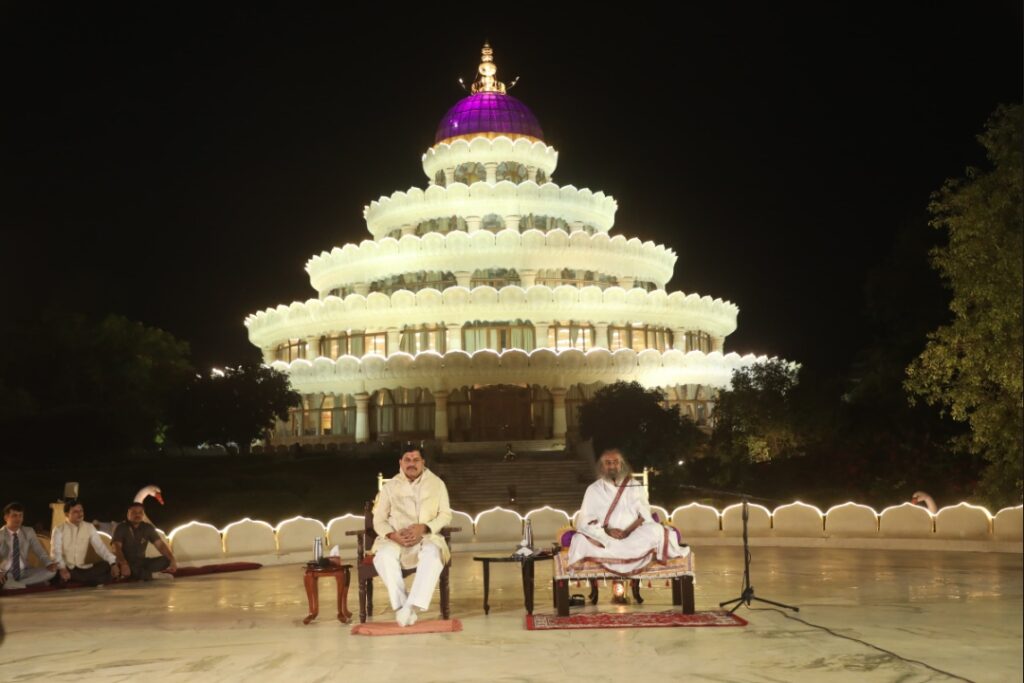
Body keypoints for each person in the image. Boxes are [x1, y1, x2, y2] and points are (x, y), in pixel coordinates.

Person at [568, 448, 690, 575]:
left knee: (657, 530)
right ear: (602, 467)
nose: (612, 466)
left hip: (633, 535)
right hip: (604, 537)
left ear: (622, 464)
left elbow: (644, 515)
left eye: (615, 462)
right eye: (607, 462)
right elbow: (586, 519)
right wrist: (608, 531)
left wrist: (627, 531)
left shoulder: (635, 485)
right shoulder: (593, 489)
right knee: (580, 539)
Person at [371, 445, 452, 626]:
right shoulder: (390, 487)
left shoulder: (437, 484)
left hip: (426, 537)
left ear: (423, 462)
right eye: (407, 460)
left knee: (433, 554)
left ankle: (410, 607)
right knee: (383, 556)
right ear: (400, 462)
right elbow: (379, 521)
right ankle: (403, 606)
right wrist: (392, 535)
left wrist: (424, 527)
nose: (411, 464)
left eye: (416, 460)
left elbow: (446, 514)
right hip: (396, 539)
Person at [52, 501, 121, 585]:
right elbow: (56, 552)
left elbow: (100, 548)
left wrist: (113, 563)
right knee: (55, 571)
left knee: (106, 565)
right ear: (67, 514)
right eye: (75, 512)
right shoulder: (59, 529)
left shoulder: (89, 527)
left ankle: (77, 580)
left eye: (81, 511)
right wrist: (62, 568)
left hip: (83, 568)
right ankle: (91, 580)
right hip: (67, 568)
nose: (80, 514)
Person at [112, 502, 177, 581]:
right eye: (134, 512)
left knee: (166, 560)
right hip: (127, 563)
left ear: (143, 514)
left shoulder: (147, 527)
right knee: (129, 569)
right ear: (128, 514)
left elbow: (160, 545)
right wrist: (123, 563)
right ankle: (151, 575)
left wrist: (172, 559)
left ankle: (144, 574)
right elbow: (116, 547)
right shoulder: (121, 527)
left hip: (142, 562)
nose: (137, 515)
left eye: (140, 512)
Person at [1, 502, 57, 590]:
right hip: (7, 573)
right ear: (6, 517)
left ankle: (16, 585)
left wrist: (48, 563)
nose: (18, 519)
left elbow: (39, 550)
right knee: (4, 580)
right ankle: (29, 584)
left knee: (51, 572)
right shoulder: (1, 534)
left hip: (25, 571)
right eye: (14, 515)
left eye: (20, 516)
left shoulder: (28, 531)